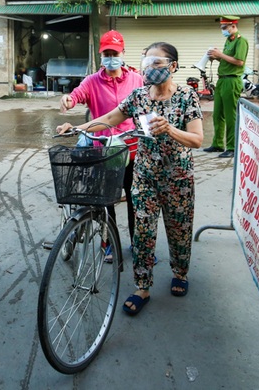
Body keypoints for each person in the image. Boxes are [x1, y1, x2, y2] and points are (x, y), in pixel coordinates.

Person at [56, 42, 203, 316]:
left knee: (179, 231)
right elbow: (110, 118)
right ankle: (142, 287)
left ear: (172, 66)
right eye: (146, 63)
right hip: (145, 175)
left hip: (178, 177)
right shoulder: (138, 96)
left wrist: (170, 129)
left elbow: (197, 139)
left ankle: (180, 273)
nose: (149, 69)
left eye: (156, 63)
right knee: (143, 232)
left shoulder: (187, 97)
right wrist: (77, 126)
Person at [59, 30, 143, 249]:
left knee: (135, 200)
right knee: (106, 203)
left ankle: (137, 244)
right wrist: (68, 100)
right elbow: (75, 96)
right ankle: (108, 244)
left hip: (131, 150)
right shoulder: (92, 81)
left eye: (115, 52)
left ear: (123, 52)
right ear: (101, 55)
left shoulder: (137, 79)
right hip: (103, 152)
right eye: (106, 53)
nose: (111, 57)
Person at [203, 15, 248, 158]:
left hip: (232, 81)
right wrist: (215, 57)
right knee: (217, 114)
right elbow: (228, 60)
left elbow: (239, 62)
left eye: (224, 27)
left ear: (233, 26)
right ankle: (217, 144)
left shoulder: (241, 41)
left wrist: (220, 55)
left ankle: (232, 147)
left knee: (230, 116)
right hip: (222, 80)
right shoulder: (229, 41)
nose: (223, 30)